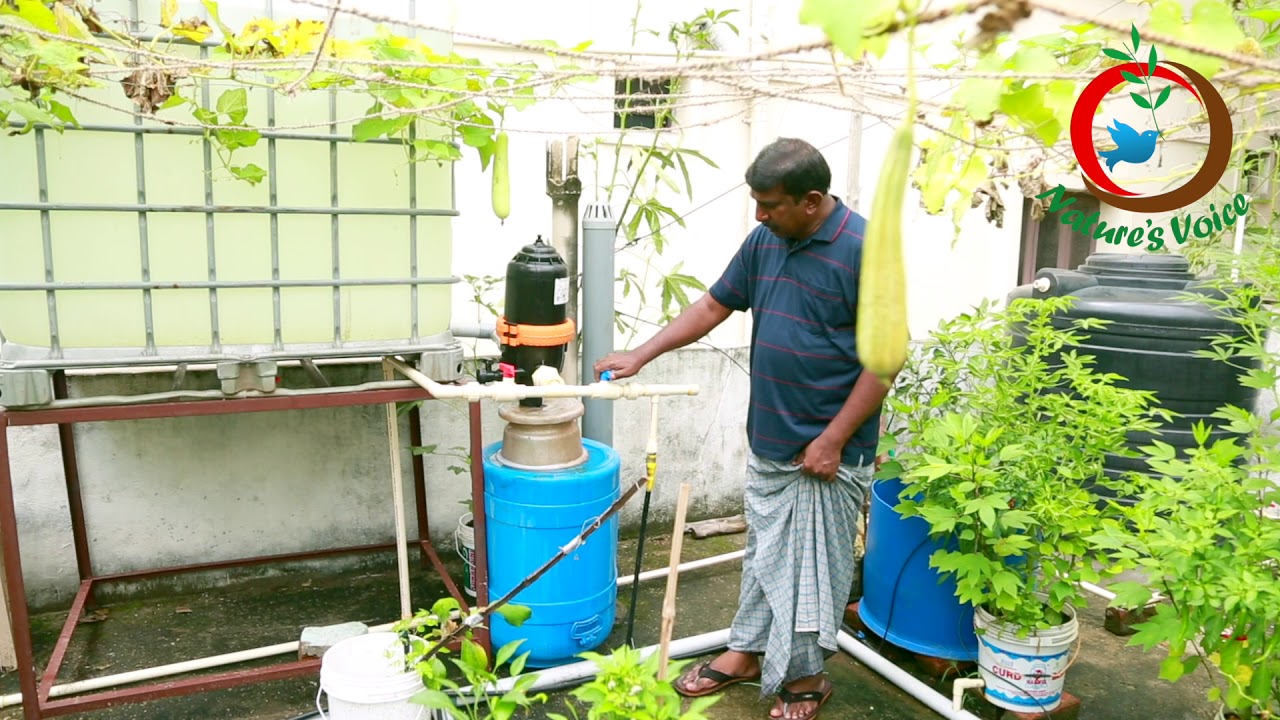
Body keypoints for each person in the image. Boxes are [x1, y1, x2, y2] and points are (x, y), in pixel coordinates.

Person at [593, 137, 893, 720]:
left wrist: (832, 439)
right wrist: (642, 354)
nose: (758, 215)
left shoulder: (867, 250)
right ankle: (747, 650)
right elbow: (713, 305)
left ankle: (806, 676)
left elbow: (885, 361)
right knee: (765, 557)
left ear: (811, 201)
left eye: (769, 204)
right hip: (773, 438)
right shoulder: (766, 240)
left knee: (813, 572)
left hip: (826, 451)